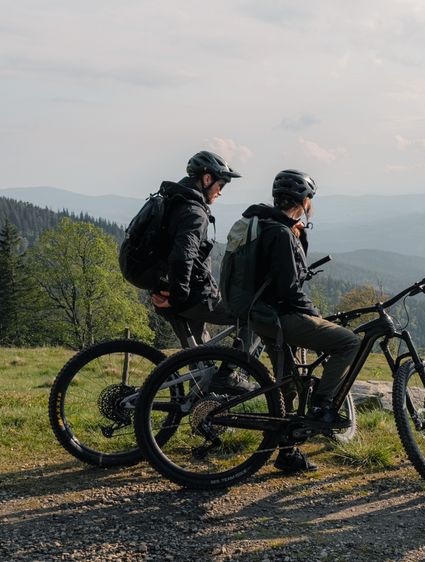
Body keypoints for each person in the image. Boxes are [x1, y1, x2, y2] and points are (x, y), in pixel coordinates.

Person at [234, 169, 360, 472]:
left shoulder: (268, 225)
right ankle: (323, 407)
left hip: (260, 315)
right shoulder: (279, 233)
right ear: (304, 201)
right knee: (348, 342)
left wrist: (299, 237)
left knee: (286, 386)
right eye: (310, 200)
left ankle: (287, 454)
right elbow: (290, 288)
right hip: (278, 317)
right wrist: (312, 316)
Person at [148, 150, 255, 395]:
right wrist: (177, 298)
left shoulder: (171, 199)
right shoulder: (194, 211)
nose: (221, 191)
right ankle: (229, 375)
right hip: (189, 296)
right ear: (207, 180)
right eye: (221, 183)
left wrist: (167, 293)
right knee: (254, 316)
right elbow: (181, 256)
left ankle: (201, 412)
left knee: (200, 360)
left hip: (166, 292)